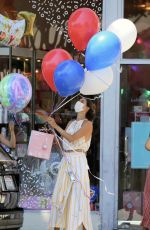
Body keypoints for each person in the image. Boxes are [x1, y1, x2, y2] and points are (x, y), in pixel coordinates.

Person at [46, 98, 95, 230]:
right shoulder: (71, 122)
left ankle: (79, 225)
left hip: (78, 160)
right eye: (79, 100)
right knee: (61, 194)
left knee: (77, 195)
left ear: (87, 108)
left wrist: (56, 126)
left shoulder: (88, 124)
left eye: (82, 101)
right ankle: (59, 225)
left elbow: (72, 138)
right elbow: (64, 142)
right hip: (66, 161)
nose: (79, 102)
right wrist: (52, 131)